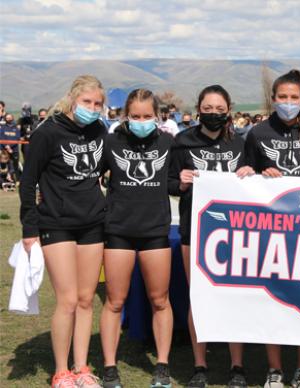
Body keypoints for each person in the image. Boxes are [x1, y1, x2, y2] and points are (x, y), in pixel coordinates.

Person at [19, 75, 107, 388]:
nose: (93, 108)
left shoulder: (100, 129)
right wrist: (29, 228)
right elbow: (28, 182)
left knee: (86, 300)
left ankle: (82, 368)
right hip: (55, 224)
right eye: (87, 102)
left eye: (98, 104)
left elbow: (110, 165)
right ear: (73, 100)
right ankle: (61, 372)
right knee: (67, 300)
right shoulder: (48, 132)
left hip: (93, 224)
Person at [245, 69, 300, 388]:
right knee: (274, 299)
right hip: (273, 231)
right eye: (283, 97)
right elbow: (246, 172)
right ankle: (275, 370)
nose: (288, 102)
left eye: (294, 97)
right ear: (273, 99)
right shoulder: (257, 133)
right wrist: (255, 172)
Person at [169, 84, 254, 388]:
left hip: (235, 232)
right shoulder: (182, 142)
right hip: (194, 229)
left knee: (233, 294)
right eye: (207, 109)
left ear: (228, 110)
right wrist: (179, 181)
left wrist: (251, 174)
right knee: (198, 296)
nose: (214, 114)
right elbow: (168, 184)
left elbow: (259, 182)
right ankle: (199, 365)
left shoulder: (241, 143)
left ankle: (237, 366)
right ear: (199, 108)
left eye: (220, 109)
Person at [99, 88, 175, 388]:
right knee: (114, 301)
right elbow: (88, 176)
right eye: (135, 116)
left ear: (157, 116)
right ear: (125, 116)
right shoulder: (111, 141)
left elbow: (173, 181)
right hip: (118, 231)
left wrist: (182, 182)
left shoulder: (168, 142)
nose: (141, 121)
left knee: (160, 300)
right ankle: (109, 368)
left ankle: (163, 365)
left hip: (155, 231)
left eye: (147, 116)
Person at [0, 113, 21, 177]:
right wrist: (6, 146)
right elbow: (1, 137)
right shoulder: (3, 128)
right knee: (4, 165)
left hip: (14, 150)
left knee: (14, 165)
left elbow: (17, 138)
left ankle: (16, 180)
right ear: (5, 119)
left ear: (12, 118)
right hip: (4, 150)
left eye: (10, 118)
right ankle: (4, 180)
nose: (8, 119)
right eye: (7, 118)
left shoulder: (16, 128)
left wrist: (10, 147)